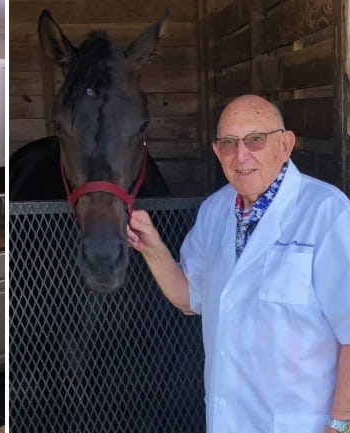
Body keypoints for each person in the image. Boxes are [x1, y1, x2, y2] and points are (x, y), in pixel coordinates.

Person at [127, 94, 350, 433]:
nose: (241, 155)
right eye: (228, 143)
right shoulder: (214, 212)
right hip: (229, 421)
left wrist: (340, 423)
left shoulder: (327, 212)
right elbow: (191, 300)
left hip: (302, 424)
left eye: (255, 140)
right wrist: (153, 249)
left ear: (285, 144)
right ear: (217, 151)